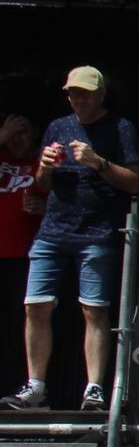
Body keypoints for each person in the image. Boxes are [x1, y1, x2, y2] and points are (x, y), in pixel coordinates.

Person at [9, 68, 139, 411]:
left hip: (96, 231)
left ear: (101, 95)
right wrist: (46, 166)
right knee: (35, 305)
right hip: (53, 229)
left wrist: (98, 162)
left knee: (93, 309)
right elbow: (43, 184)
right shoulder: (58, 126)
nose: (78, 100)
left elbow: (135, 182)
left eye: (84, 93)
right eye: (73, 94)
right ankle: (36, 386)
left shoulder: (120, 128)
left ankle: (94, 388)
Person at [0, 113, 43, 396]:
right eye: (11, 133)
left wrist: (45, 208)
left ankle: (13, 387)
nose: (16, 139)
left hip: (24, 256)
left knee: (15, 325)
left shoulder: (42, 164)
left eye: (22, 132)